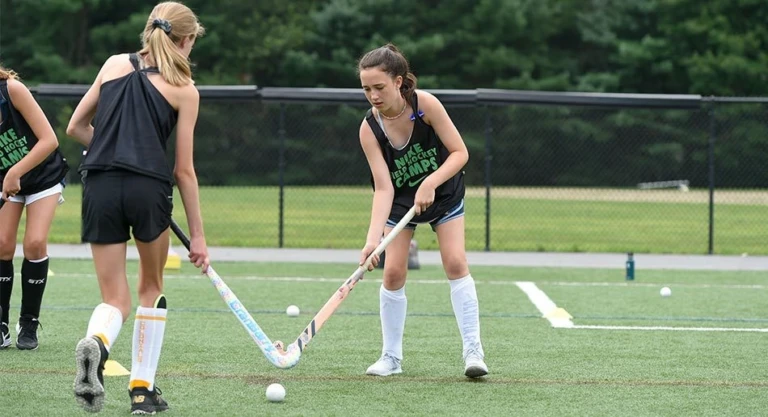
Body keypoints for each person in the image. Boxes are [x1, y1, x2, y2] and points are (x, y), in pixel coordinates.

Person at [66, 1, 209, 413]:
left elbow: (76, 127)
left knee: (115, 298)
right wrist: (197, 237)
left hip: (99, 186)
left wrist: (111, 149)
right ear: (185, 40)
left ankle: (97, 342)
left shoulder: (112, 65)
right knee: (151, 288)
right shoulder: (185, 89)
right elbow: (184, 171)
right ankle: (142, 391)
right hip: (149, 189)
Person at [356, 44, 489, 378]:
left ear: (399, 81)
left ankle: (473, 352)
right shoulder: (369, 130)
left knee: (455, 262)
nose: (373, 95)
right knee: (393, 273)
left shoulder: (425, 105)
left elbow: (460, 152)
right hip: (401, 200)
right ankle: (391, 357)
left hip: (443, 191)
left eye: (379, 87)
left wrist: (430, 182)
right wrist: (373, 241)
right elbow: (383, 188)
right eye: (367, 89)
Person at [0, 65, 69, 351]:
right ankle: (1, 324)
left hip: (43, 176)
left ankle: (28, 322)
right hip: (6, 179)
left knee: (35, 243)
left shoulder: (12, 89)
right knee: (2, 244)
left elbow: (49, 140)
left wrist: (16, 171)